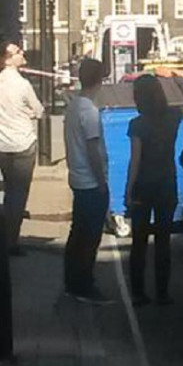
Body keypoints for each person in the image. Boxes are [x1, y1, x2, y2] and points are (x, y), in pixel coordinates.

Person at [125, 74, 180, 307]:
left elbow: (135, 161)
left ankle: (138, 293)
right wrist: (175, 83)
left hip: (143, 187)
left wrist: (128, 191)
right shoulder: (173, 117)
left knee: (139, 241)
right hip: (167, 184)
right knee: (163, 240)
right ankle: (162, 292)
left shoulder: (137, 124)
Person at [63, 57, 112, 303]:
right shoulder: (90, 112)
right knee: (90, 237)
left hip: (77, 178)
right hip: (91, 182)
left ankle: (71, 281)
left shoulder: (73, 107)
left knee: (77, 233)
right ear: (100, 80)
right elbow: (93, 149)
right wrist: (102, 182)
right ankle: (84, 284)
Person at [0, 40, 44, 259]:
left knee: (8, 192)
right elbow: (39, 110)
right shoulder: (22, 84)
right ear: (7, 59)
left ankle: (6, 235)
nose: (22, 52)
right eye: (18, 52)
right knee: (18, 194)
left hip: (2, 145)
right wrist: (29, 113)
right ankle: (11, 242)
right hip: (23, 144)